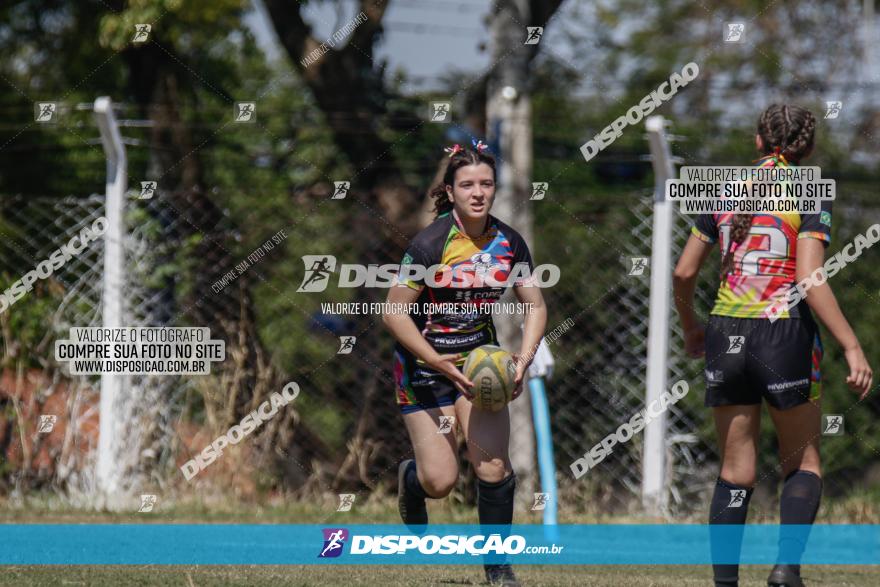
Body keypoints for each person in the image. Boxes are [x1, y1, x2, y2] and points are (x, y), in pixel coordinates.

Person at [672, 104, 872, 587]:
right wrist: (851, 346)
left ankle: (725, 583)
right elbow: (810, 277)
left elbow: (683, 272)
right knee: (802, 460)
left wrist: (692, 327)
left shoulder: (721, 188)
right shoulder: (808, 191)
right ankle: (785, 570)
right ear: (808, 147)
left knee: (735, 469)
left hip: (725, 333)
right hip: (784, 334)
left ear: (758, 141)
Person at [382, 140, 548, 586]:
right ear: (450, 191)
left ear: (495, 189)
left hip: (478, 366)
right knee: (441, 480)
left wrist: (523, 361)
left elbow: (535, 305)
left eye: (487, 184)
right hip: (423, 367)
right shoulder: (430, 243)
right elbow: (393, 310)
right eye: (467, 184)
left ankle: (497, 567)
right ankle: (412, 481)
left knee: (492, 467)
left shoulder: (509, 243)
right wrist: (436, 359)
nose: (478, 192)